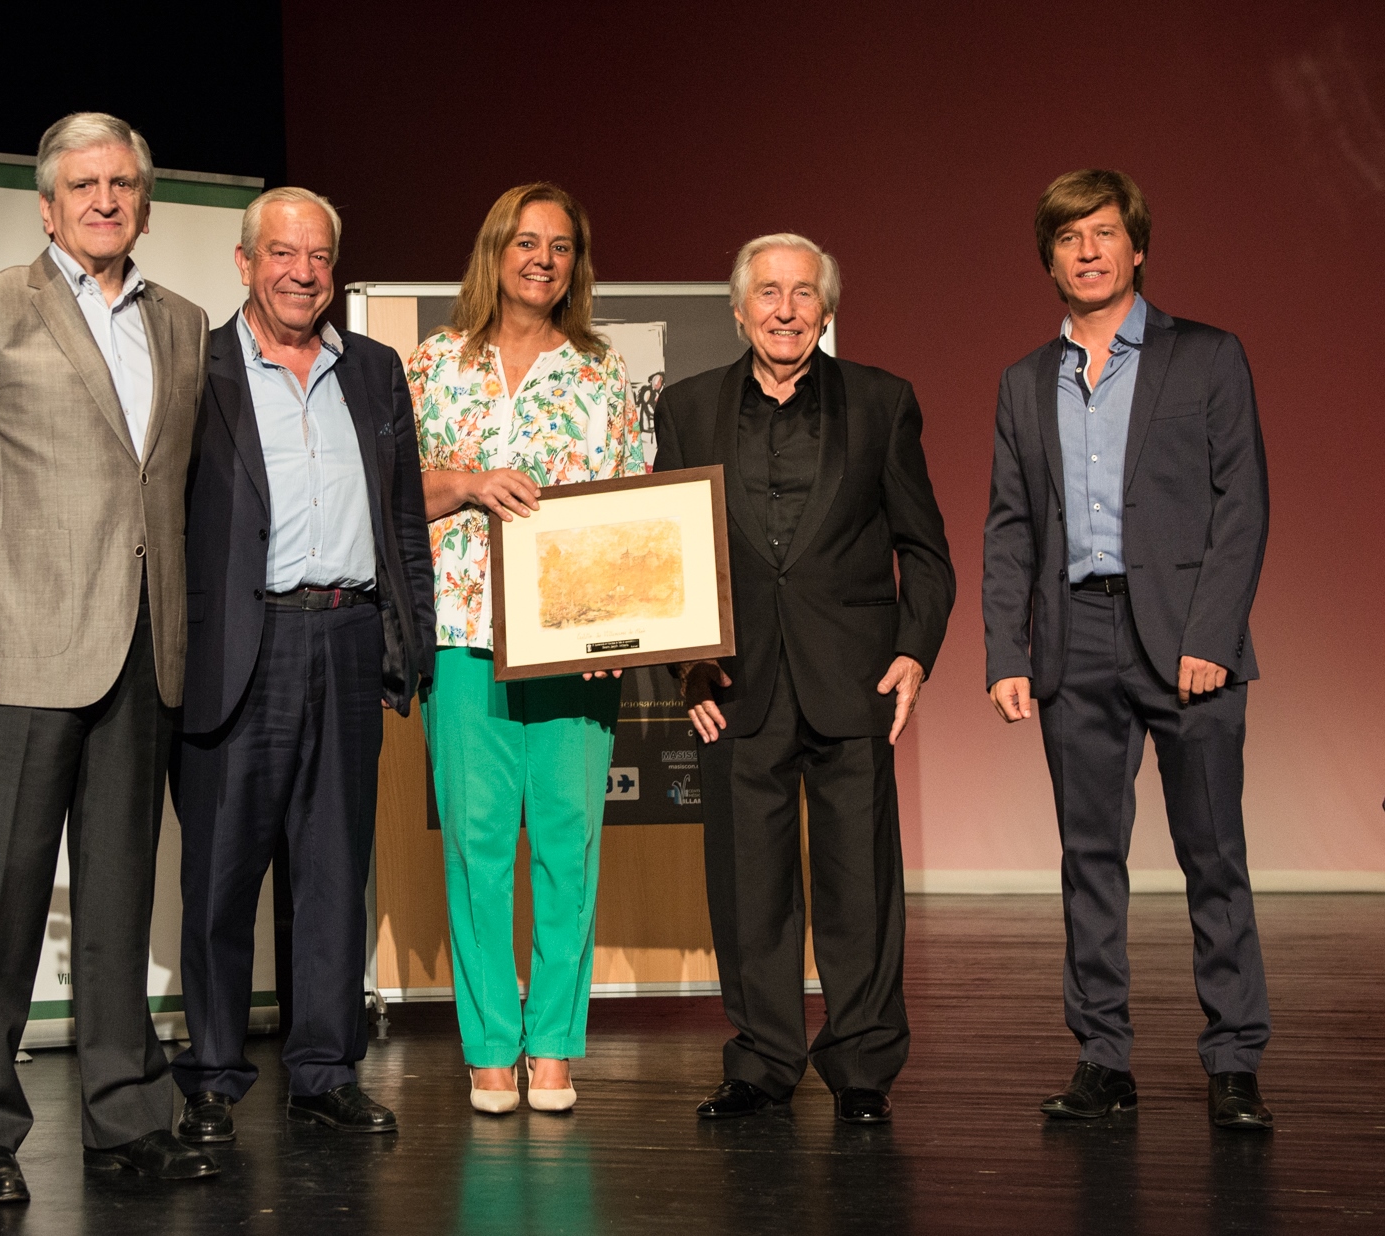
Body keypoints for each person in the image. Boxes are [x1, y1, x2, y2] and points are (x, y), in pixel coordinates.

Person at [0, 112, 217, 1202]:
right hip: (17, 652)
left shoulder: (182, 322)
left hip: (141, 647)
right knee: (0, 906)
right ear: (47, 206)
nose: (105, 200)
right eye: (84, 185)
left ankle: (127, 1120)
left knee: (121, 903)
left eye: (122, 183)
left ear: (145, 203)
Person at [982, 169, 1273, 1130]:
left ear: (1137, 248)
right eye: (1069, 238)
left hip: (1187, 641)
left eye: (1105, 233)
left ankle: (1234, 1060)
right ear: (1050, 260)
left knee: (1213, 854)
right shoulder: (1026, 381)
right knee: (1089, 859)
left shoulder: (1208, 356)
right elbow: (1010, 524)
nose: (1089, 251)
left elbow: (1242, 507)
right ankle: (1103, 1058)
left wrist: (1212, 636)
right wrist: (1006, 651)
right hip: (1074, 640)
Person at [654, 234, 954, 1125]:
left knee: (861, 882)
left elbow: (924, 547)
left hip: (853, 678)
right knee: (749, 887)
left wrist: (915, 649)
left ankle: (861, 1068)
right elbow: (665, 549)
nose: (785, 310)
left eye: (803, 294)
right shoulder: (686, 407)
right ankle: (762, 1063)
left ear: (826, 310)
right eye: (768, 293)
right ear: (738, 309)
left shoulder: (883, 400)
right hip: (734, 683)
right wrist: (683, 662)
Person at [170, 187, 433, 1140]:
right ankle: (211, 1075)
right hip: (241, 643)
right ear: (245, 263)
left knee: (333, 870)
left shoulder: (374, 369)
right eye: (282, 253)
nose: (302, 272)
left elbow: (404, 514)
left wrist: (412, 636)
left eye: (319, 255)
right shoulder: (196, 368)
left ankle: (324, 1072)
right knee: (221, 873)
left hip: (349, 635)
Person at [406, 183, 642, 1114]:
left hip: (574, 643)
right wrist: (469, 482)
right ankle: (489, 1048)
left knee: (567, 846)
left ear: (576, 263)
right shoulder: (434, 363)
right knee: (475, 848)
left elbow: (629, 502)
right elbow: (394, 490)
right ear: (495, 250)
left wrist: (619, 626)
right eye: (526, 241)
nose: (543, 259)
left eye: (561, 246)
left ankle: (551, 1047)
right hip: (461, 632)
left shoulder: (602, 371)